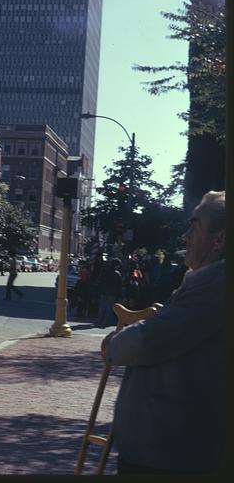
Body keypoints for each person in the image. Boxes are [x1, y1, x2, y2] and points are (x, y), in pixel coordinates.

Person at [101, 191, 225, 474]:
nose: (184, 237)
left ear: (220, 239)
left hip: (168, 455)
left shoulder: (214, 288)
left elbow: (144, 342)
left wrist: (115, 342)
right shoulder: (203, 282)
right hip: (161, 449)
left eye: (194, 226)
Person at [95, 258, 123, 328]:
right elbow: (120, 284)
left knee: (102, 306)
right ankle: (106, 321)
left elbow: (100, 280)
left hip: (104, 291)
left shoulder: (105, 271)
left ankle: (99, 319)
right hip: (112, 292)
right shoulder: (117, 273)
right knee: (109, 307)